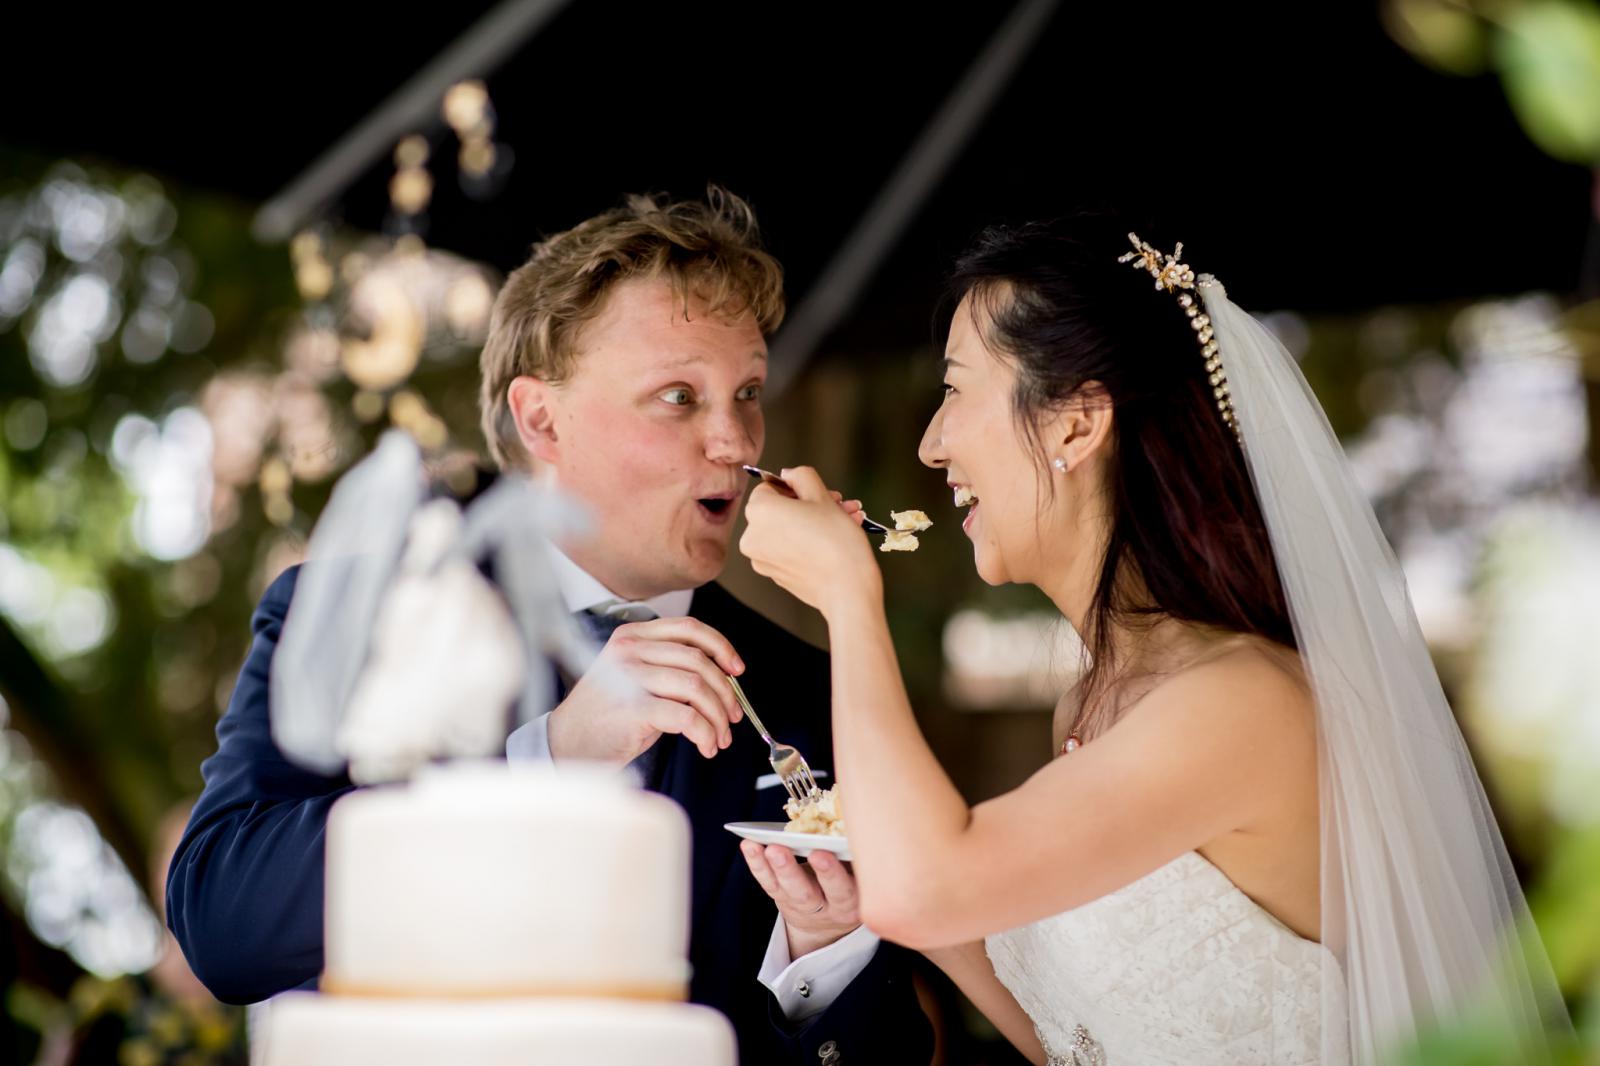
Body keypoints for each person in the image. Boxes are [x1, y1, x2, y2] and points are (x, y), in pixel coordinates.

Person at [738, 212, 1568, 1064]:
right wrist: (864, 885)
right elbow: (1076, 1039)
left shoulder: (1240, 704)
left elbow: (929, 889)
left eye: (954, 390)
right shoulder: (1096, 700)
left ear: (1074, 424)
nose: (932, 443)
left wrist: (848, 595)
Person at [166, 187, 933, 1065]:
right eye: (679, 396)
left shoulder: (811, 691)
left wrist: (822, 955)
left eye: (747, 391)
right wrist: (550, 754)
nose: (735, 440)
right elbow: (220, 920)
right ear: (541, 419)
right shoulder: (361, 611)